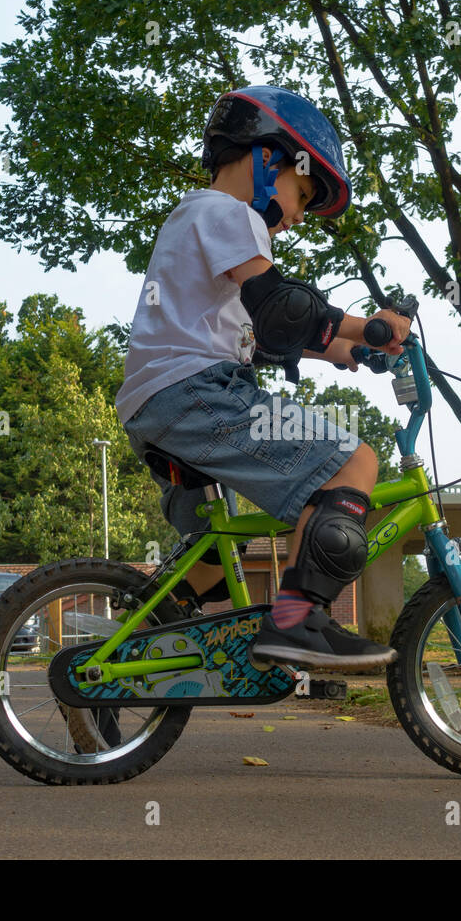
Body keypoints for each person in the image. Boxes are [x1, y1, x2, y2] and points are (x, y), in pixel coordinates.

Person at [115, 85, 411, 672]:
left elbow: (271, 330)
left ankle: (123, 652)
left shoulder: (196, 221)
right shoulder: (225, 212)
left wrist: (346, 351)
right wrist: (373, 326)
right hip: (197, 395)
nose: (298, 215)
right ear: (265, 158)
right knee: (355, 463)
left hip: (162, 403)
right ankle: (297, 623)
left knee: (214, 559)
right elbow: (282, 307)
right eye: (301, 194)